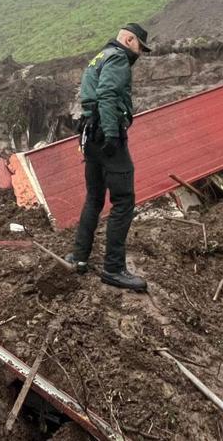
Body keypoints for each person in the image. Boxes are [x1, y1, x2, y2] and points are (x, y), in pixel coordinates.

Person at [66, 22, 152, 291]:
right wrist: (113, 135)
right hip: (106, 134)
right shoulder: (117, 58)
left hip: (90, 134)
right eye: (139, 47)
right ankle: (113, 269)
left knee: (94, 197)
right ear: (128, 39)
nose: (140, 54)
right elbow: (108, 94)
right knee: (124, 200)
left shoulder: (99, 57)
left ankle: (78, 257)